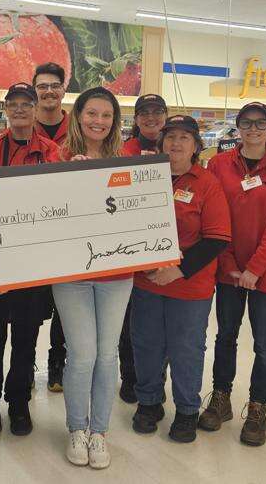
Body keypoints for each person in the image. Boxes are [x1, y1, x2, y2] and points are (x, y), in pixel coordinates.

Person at [202, 102, 266, 446]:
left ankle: (258, 407)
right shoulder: (219, 165)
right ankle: (220, 398)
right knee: (225, 336)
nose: (254, 129)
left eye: (261, 123)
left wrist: (256, 267)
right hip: (228, 270)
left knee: (265, 344)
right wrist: (230, 263)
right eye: (247, 123)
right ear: (238, 126)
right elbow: (214, 216)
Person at [131, 115, 231, 444]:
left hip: (190, 285)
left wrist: (177, 269)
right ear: (160, 143)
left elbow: (217, 238)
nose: (176, 143)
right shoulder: (145, 177)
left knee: (186, 348)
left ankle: (187, 410)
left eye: (184, 138)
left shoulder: (207, 183)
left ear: (196, 146)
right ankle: (149, 402)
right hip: (146, 281)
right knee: (146, 343)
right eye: (170, 137)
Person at [0, 83, 61, 437]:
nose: (21, 109)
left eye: (27, 103)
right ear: (6, 109)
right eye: (14, 104)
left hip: (33, 262)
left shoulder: (52, 152)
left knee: (26, 336)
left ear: (37, 109)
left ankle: (19, 401)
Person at [52, 86, 130, 470]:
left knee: (107, 354)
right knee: (82, 354)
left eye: (106, 115)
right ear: (78, 115)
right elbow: (43, 212)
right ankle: (77, 428)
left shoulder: (128, 162)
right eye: (92, 113)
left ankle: (99, 431)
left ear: (114, 121)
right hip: (71, 272)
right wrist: (69, 176)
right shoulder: (57, 157)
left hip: (116, 272)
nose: (99, 121)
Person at [118, 93, 167, 404]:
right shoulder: (123, 151)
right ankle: (130, 377)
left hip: (165, 250)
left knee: (161, 324)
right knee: (129, 324)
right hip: (129, 251)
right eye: (144, 112)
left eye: (157, 112)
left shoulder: (176, 149)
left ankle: (157, 378)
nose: (151, 117)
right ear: (136, 119)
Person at [32, 62, 69, 392]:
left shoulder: (77, 129)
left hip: (65, 232)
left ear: (63, 89)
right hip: (30, 234)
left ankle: (57, 361)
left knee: (65, 305)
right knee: (29, 305)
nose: (48, 91)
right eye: (42, 86)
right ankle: (26, 360)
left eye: (54, 85)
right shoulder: (22, 128)